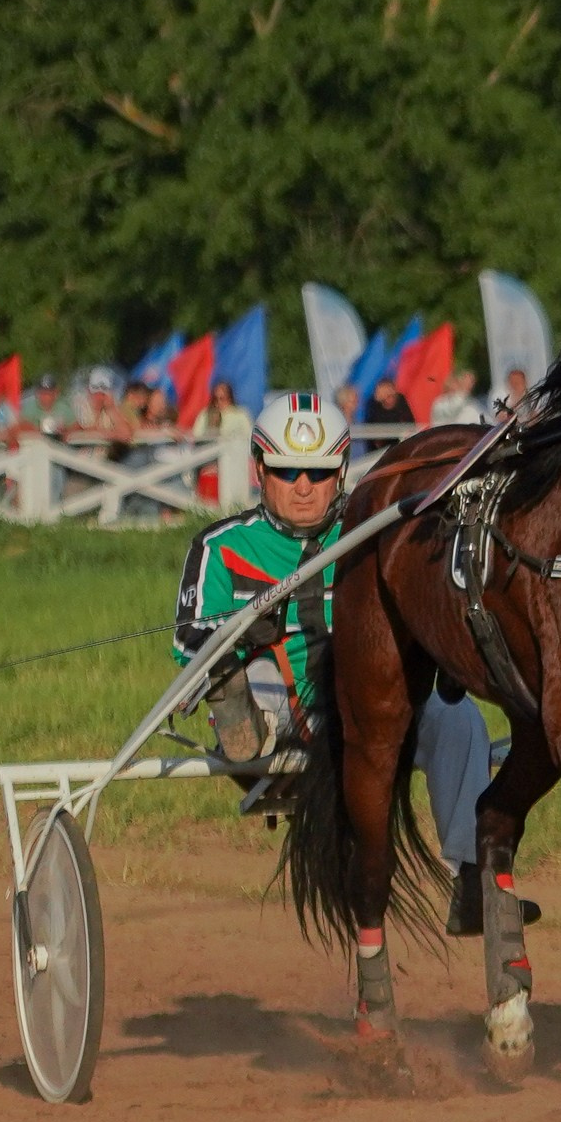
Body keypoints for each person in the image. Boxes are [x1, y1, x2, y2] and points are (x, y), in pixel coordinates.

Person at [171, 394, 526, 936]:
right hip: (277, 705)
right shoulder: (220, 547)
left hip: (374, 710)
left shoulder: (380, 535)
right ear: (260, 469)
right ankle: (244, 734)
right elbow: (187, 643)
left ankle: (472, 876)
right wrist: (237, 634)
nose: (304, 485)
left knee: (459, 721)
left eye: (319, 471)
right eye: (288, 471)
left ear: (341, 471)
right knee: (236, 677)